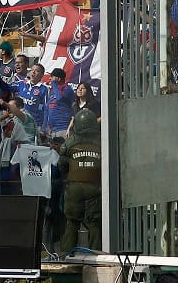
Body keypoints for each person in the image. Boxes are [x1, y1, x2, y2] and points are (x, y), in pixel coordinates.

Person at [58, 109, 102, 257]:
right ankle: (97, 255)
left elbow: (62, 166)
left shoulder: (70, 142)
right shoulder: (102, 141)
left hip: (74, 187)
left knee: (72, 222)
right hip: (96, 187)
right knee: (94, 224)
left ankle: (66, 254)